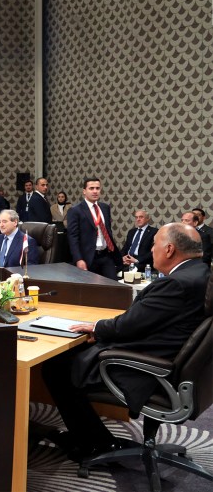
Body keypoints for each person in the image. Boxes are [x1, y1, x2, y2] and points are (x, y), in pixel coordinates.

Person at [42, 223, 209, 461]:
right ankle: (95, 438)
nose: (152, 249)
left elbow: (127, 326)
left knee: (56, 367)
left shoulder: (175, 283)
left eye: (154, 244)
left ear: (169, 249)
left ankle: (95, 444)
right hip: (174, 361)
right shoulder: (201, 273)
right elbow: (145, 320)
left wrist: (98, 327)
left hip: (148, 368)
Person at [66, 177, 121, 279]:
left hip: (106, 255)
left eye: (97, 188)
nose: (95, 191)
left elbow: (108, 231)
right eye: (91, 188)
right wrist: (78, 259)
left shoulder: (105, 208)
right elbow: (73, 237)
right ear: (84, 191)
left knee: (114, 287)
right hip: (88, 258)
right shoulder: (75, 210)